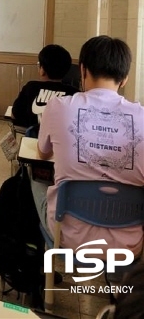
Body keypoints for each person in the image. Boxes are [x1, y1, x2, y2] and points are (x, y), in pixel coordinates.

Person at [33, 36, 144, 256]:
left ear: (83, 70)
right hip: (129, 245)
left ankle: (34, 267)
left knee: (34, 178)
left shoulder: (59, 107)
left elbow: (43, 154)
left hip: (66, 236)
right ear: (125, 79)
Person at [12, 44, 78, 128]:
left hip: (31, 139)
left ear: (42, 70)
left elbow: (15, 115)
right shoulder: (74, 93)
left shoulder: (31, 87)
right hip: (61, 140)